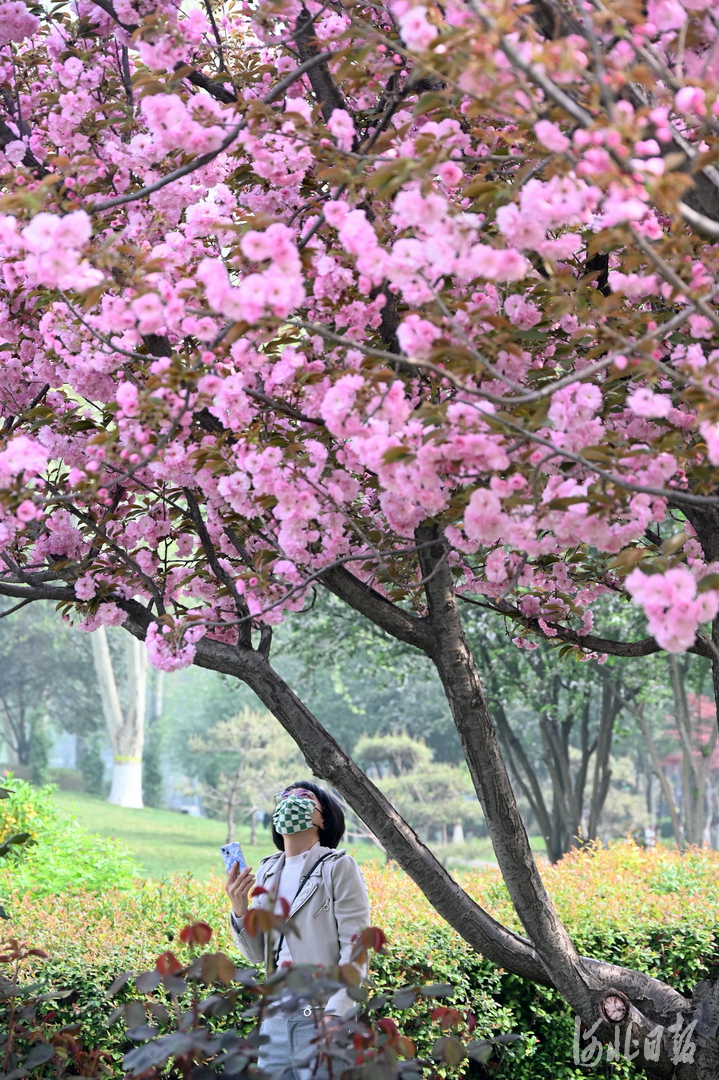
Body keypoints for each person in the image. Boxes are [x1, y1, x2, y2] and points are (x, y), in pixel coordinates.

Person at [225, 780, 370, 1080]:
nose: (292, 801)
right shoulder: (267, 870)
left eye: (304, 797)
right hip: (275, 1018)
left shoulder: (338, 867)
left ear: (324, 818)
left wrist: (334, 1014)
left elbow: (355, 950)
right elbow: (256, 953)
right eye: (285, 797)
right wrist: (240, 909)